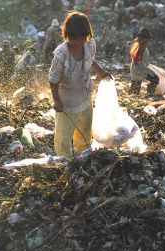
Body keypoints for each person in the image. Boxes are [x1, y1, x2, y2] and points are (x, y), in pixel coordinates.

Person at [49, 11, 111, 157]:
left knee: (85, 129)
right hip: (67, 101)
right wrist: (56, 100)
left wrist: (101, 72)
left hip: (84, 95)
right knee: (64, 134)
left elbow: (90, 60)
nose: (77, 42)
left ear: (87, 35)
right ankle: (64, 160)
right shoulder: (61, 54)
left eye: (81, 38)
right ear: (67, 35)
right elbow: (53, 80)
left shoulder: (89, 44)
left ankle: (83, 154)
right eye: (73, 39)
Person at [129, 28, 159, 95]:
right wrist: (151, 72)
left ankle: (150, 94)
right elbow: (140, 64)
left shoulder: (141, 46)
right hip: (138, 70)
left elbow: (142, 61)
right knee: (134, 91)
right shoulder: (140, 48)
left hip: (139, 70)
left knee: (135, 90)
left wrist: (149, 67)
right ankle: (150, 94)